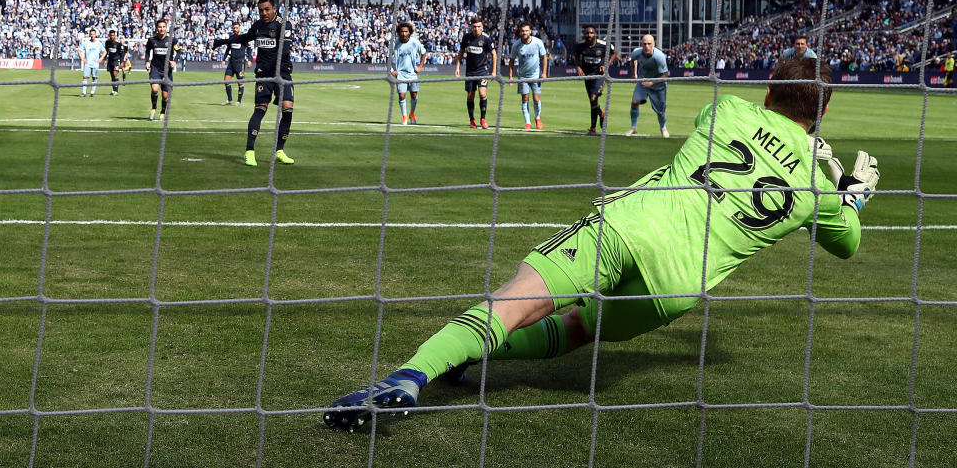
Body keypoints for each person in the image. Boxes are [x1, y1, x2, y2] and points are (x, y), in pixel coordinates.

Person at [322, 58, 880, 432]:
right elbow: (847, 245)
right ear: (826, 109)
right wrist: (849, 195)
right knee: (577, 329)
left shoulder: (728, 108)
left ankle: (410, 376)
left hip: (633, 225)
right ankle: (467, 361)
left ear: (767, 89)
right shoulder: (819, 187)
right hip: (677, 284)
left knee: (518, 298)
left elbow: (764, 129)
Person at [214, 0, 295, 167]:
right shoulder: (258, 26)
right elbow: (244, 38)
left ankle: (279, 151)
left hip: (282, 73)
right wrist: (223, 41)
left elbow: (285, 50)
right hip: (264, 74)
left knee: (287, 108)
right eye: (261, 10)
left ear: (274, 9)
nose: (264, 13)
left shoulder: (284, 24)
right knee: (260, 110)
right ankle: (249, 152)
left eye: (267, 9)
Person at [573, 25, 617, 134]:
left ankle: (592, 129)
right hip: (587, 76)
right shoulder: (580, 45)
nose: (589, 35)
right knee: (593, 102)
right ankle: (601, 114)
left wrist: (606, 65)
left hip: (599, 75)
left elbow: (614, 52)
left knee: (593, 98)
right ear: (584, 34)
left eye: (591, 33)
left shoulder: (602, 45)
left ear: (595, 34)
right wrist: (578, 67)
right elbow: (575, 55)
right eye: (587, 33)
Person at [454, 16, 497, 129]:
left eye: (478, 27)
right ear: (471, 27)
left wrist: (493, 71)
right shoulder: (466, 38)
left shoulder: (486, 38)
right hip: (470, 72)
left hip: (482, 71)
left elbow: (494, 54)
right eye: (474, 27)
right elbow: (461, 52)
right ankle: (472, 120)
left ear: (482, 27)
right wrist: (457, 67)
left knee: (482, 94)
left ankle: (483, 119)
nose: (476, 29)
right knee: (470, 96)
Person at [627, 34, 669, 137]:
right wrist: (634, 73)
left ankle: (663, 128)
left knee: (660, 112)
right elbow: (633, 60)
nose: (646, 46)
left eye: (649, 44)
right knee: (635, 102)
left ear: (653, 44)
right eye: (644, 44)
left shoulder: (659, 57)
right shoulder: (636, 52)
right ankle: (633, 127)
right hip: (643, 81)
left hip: (658, 85)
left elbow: (665, 76)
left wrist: (652, 82)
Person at [508, 22, 548, 130]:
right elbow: (511, 61)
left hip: (536, 76)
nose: (525, 32)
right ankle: (528, 122)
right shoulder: (516, 45)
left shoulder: (538, 42)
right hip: (523, 77)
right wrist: (511, 77)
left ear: (530, 31)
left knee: (536, 98)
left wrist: (544, 73)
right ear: (520, 32)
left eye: (526, 30)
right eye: (523, 31)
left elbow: (544, 57)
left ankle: (538, 118)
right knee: (525, 98)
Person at [391, 21, 428, 125]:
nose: (404, 33)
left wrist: (420, 66)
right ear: (398, 32)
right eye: (402, 31)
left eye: (406, 31)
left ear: (409, 32)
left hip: (412, 74)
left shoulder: (414, 42)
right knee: (402, 95)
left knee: (414, 95)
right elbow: (387, 57)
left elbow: (424, 53)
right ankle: (404, 117)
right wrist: (391, 70)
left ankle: (412, 113)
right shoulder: (395, 44)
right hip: (400, 74)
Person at [144, 19, 181, 120]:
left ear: (166, 28)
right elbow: (147, 51)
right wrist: (147, 61)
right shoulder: (152, 40)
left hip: (167, 71)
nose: (162, 29)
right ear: (156, 28)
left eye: (163, 27)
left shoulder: (172, 40)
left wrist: (175, 61)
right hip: (155, 69)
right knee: (155, 89)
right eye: (160, 27)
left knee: (165, 96)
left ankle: (162, 112)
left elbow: (179, 52)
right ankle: (153, 109)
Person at [220, 21, 252, 106]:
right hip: (231, 62)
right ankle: (229, 100)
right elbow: (228, 49)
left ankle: (239, 101)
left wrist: (249, 59)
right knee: (226, 80)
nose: (235, 29)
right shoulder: (232, 37)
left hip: (240, 62)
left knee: (240, 82)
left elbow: (249, 49)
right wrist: (224, 59)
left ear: (239, 28)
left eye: (236, 28)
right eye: (234, 28)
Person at [77, 29, 105, 98]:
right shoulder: (86, 43)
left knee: (94, 78)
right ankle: (84, 92)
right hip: (88, 63)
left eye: (93, 34)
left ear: (95, 35)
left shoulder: (98, 43)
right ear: (90, 35)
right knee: (85, 77)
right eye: (91, 34)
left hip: (95, 64)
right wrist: (82, 58)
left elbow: (105, 51)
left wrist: (101, 59)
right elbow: (79, 51)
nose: (92, 35)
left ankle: (92, 92)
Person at [104, 30, 127, 96]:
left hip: (116, 61)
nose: (112, 36)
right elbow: (106, 51)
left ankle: (116, 91)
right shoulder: (107, 42)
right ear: (109, 36)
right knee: (112, 76)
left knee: (115, 74)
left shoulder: (118, 44)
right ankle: (114, 90)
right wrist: (105, 59)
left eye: (113, 35)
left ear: (115, 36)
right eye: (111, 35)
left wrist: (122, 62)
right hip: (110, 61)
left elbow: (122, 54)